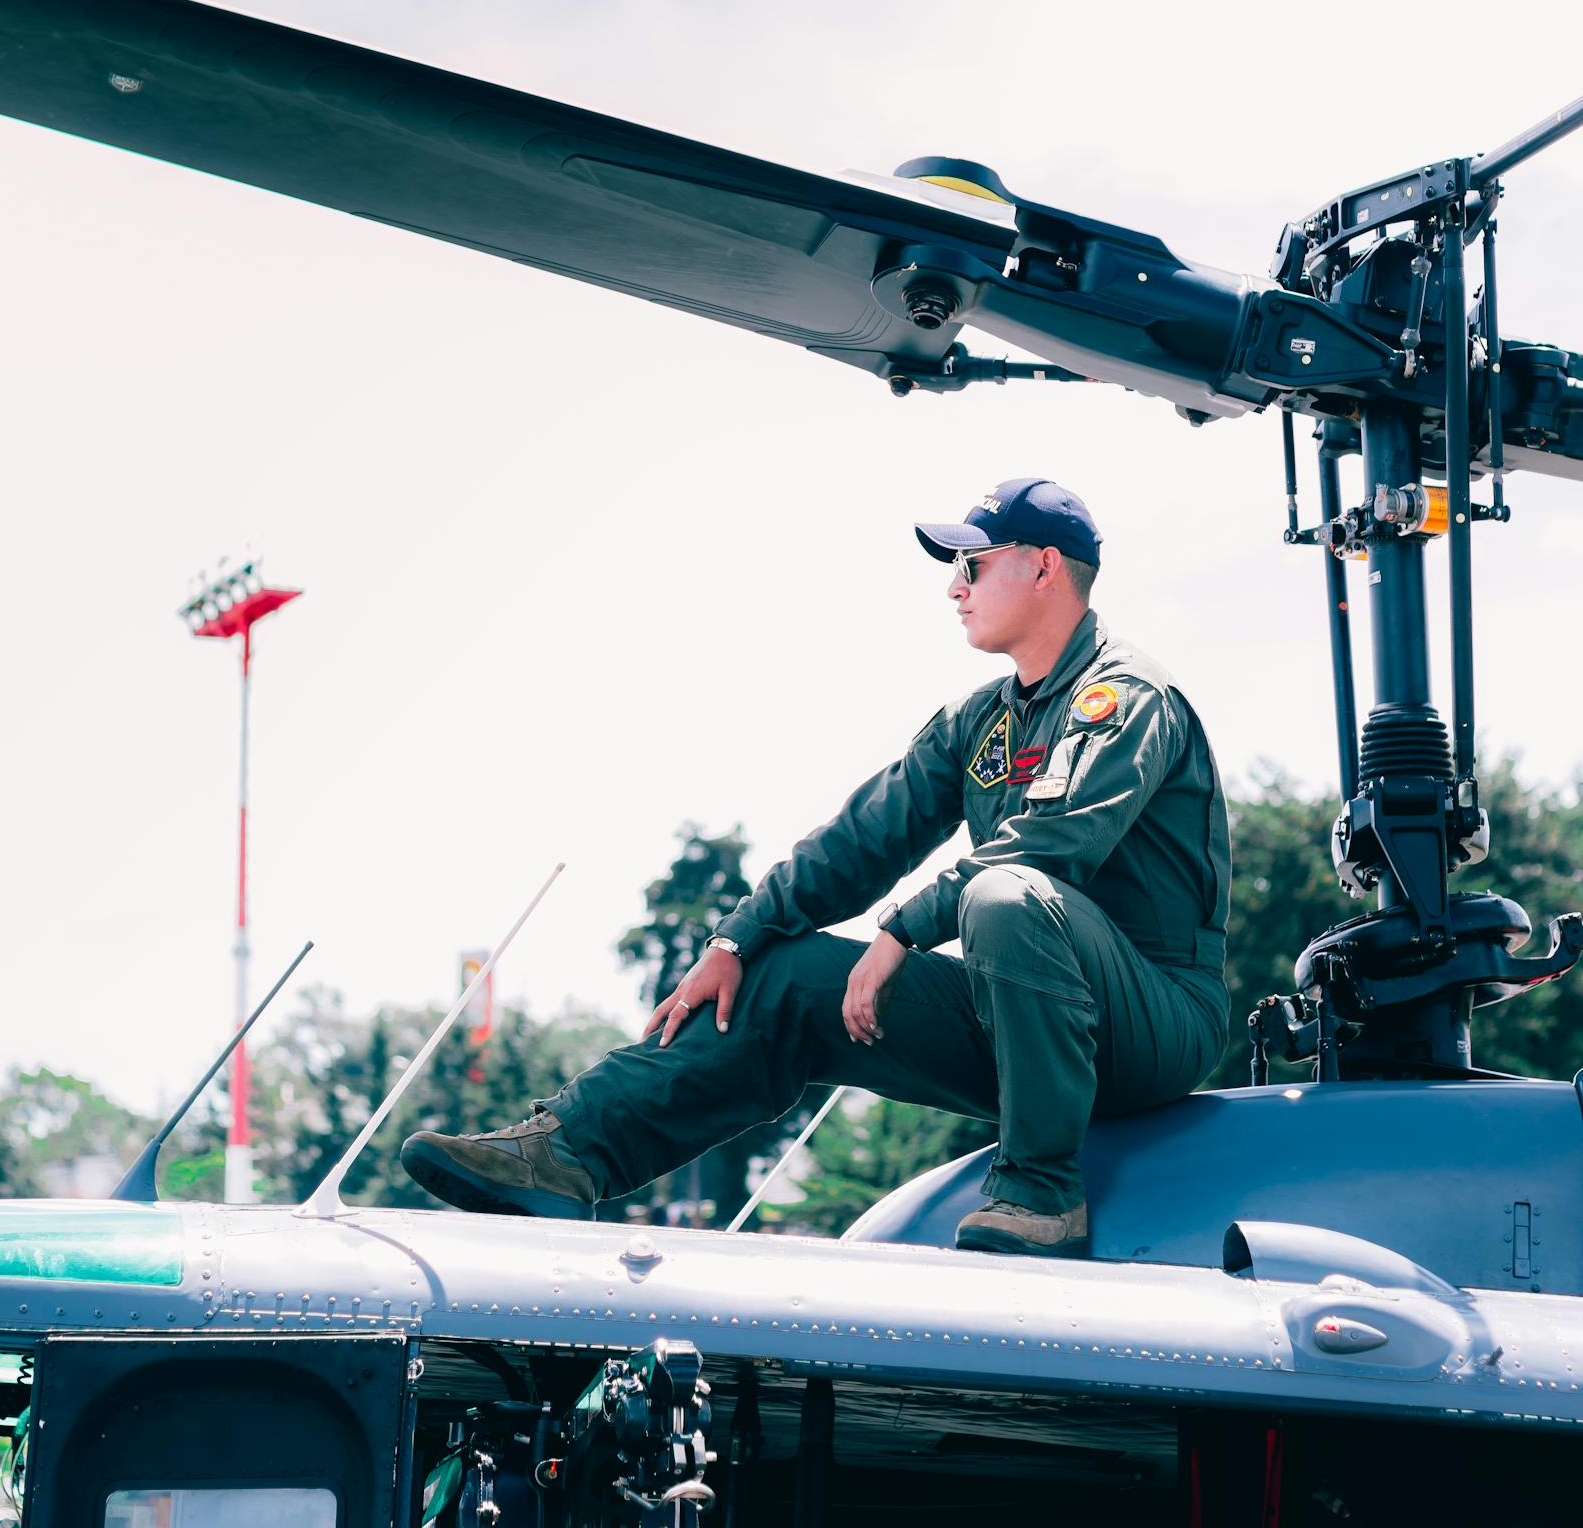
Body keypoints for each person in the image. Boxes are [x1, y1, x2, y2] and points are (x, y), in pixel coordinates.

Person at [402, 477, 1231, 1256]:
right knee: (787, 973)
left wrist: (901, 931)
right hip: (1018, 1015)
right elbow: (859, 842)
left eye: (971, 565)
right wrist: (734, 941)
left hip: (1149, 1028)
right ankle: (569, 1154)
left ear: (1043, 566)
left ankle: (1042, 1195)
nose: (954, 587)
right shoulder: (981, 720)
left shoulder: (1125, 695)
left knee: (1007, 896)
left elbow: (1050, 847)